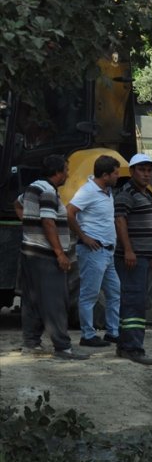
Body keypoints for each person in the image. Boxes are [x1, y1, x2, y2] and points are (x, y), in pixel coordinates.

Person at [16, 154, 87, 360]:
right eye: (65, 169)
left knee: (31, 300)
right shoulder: (47, 192)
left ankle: (31, 343)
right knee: (55, 301)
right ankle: (63, 348)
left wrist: (29, 225)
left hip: (30, 252)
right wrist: (59, 253)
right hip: (46, 255)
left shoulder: (33, 187)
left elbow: (17, 204)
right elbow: (48, 222)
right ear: (57, 172)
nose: (67, 173)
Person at [67, 155, 122, 348]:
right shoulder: (88, 191)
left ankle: (113, 332)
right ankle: (87, 335)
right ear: (105, 175)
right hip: (93, 251)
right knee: (89, 295)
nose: (118, 176)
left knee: (114, 292)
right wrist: (84, 237)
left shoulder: (107, 191)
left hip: (107, 252)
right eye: (116, 173)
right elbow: (69, 211)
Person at [114, 154, 152, 366]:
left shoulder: (146, 195)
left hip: (143, 258)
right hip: (132, 259)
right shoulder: (127, 194)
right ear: (131, 171)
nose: (146, 174)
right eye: (141, 170)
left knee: (134, 301)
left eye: (149, 170)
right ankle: (134, 348)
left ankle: (125, 346)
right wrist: (129, 250)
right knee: (134, 302)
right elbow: (120, 221)